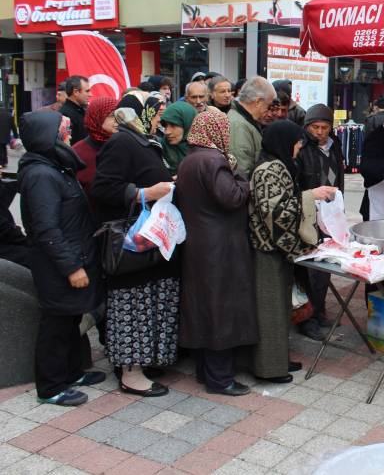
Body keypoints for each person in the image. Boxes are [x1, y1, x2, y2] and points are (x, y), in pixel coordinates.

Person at [91, 94, 179, 398]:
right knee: (133, 305)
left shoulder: (143, 140)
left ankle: (142, 362)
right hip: (131, 244)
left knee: (149, 302)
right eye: (157, 114)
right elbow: (102, 188)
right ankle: (131, 373)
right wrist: (145, 193)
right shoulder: (122, 142)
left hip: (148, 242)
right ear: (142, 113)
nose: (161, 121)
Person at [18, 110, 105, 406]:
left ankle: (72, 372)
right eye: (64, 131)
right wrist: (72, 267)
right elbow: (46, 229)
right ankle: (51, 386)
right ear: (48, 137)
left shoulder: (54, 166)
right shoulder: (41, 174)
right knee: (55, 325)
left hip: (71, 257)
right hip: (58, 265)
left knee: (69, 321)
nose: (70, 136)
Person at [175, 109, 259, 396]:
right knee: (219, 310)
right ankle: (220, 378)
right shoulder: (214, 161)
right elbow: (232, 197)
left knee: (203, 308)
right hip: (219, 249)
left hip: (198, 245)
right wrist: (243, 177)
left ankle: (205, 371)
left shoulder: (189, 159)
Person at [249, 120, 336, 382]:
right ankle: (269, 369)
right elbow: (275, 213)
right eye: (297, 142)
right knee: (270, 312)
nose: (299, 147)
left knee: (278, 311)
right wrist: (310, 196)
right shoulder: (269, 170)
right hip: (267, 251)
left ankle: (278, 362)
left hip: (275, 249)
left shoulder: (278, 165)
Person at [297, 104, 345, 340]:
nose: (320, 132)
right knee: (311, 269)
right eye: (315, 127)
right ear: (308, 126)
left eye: (325, 127)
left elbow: (340, 174)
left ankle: (320, 310)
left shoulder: (335, 145)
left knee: (326, 266)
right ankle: (308, 318)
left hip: (331, 210)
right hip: (309, 211)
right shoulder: (303, 148)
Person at [72, 95, 119, 206]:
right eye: (112, 116)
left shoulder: (123, 144)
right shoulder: (78, 152)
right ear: (97, 117)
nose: (118, 120)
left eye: (120, 115)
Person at [228, 76, 275, 174]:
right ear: (258, 102)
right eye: (268, 105)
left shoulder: (245, 120)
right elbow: (242, 172)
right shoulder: (239, 125)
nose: (269, 111)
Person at [160, 102, 197, 176]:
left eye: (173, 125)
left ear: (187, 124)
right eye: (165, 126)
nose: (167, 132)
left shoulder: (203, 150)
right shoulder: (160, 147)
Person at [60, 75, 91, 145]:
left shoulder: (81, 110)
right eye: (87, 91)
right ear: (76, 92)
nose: (90, 94)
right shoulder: (65, 115)